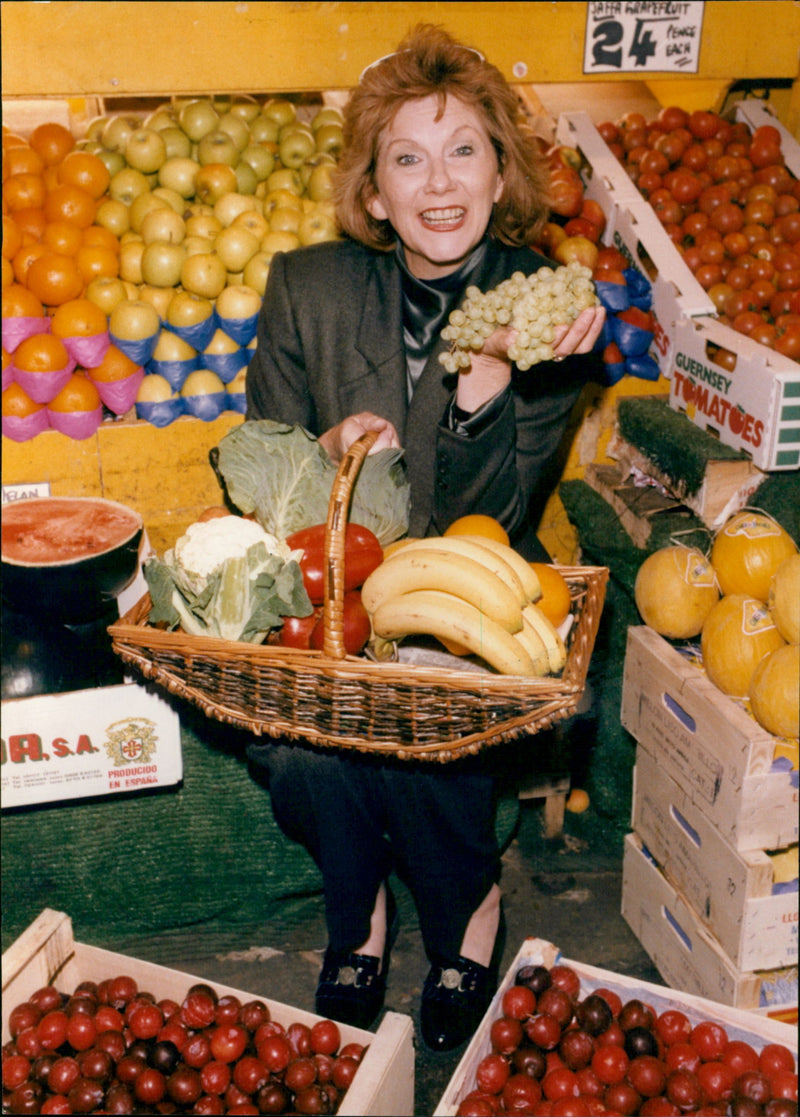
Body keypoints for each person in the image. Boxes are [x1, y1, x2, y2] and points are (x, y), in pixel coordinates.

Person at [245, 23, 605, 1052]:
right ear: (372, 190)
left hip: (479, 582)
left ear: (501, 176)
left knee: (428, 697)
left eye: (463, 152)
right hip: (333, 581)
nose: (437, 184)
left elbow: (487, 518)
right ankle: (356, 911)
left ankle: (465, 913)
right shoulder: (306, 290)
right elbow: (258, 463)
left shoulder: (548, 308)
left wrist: (488, 377)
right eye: (407, 157)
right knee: (303, 735)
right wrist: (324, 457)